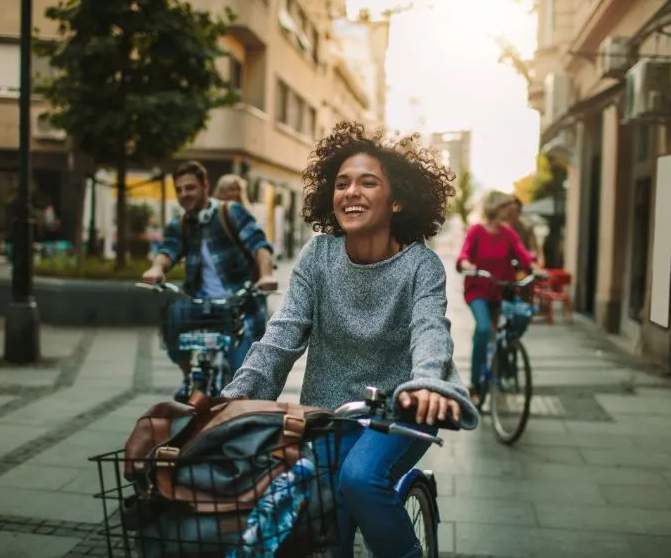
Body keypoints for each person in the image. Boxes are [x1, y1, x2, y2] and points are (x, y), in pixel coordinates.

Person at [221, 121, 478, 558]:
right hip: (329, 413)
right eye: (342, 184)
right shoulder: (318, 256)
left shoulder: (421, 266)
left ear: (397, 200)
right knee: (324, 535)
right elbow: (282, 334)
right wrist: (237, 398)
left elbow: (430, 331)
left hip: (402, 410)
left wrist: (427, 384)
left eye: (367, 182)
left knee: (360, 479)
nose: (351, 192)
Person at [142, 161, 278, 401]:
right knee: (172, 318)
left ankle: (238, 415)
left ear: (205, 186)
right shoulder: (181, 224)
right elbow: (168, 250)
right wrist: (156, 268)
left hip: (238, 304)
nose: (184, 194)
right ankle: (188, 377)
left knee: (241, 378)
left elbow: (259, 245)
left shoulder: (230, 212)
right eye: (180, 190)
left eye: (190, 188)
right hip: (200, 302)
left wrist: (266, 274)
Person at [456, 192, 537, 403]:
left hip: (502, 290)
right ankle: (475, 385)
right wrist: (467, 265)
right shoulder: (476, 231)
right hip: (478, 290)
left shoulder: (508, 233)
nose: (509, 210)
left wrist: (535, 268)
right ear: (495, 207)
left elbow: (523, 255)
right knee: (483, 329)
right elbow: (464, 255)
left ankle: (503, 360)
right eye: (505, 206)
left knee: (519, 319)